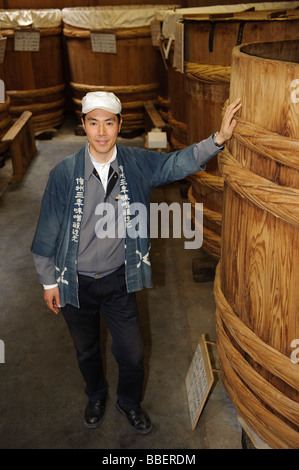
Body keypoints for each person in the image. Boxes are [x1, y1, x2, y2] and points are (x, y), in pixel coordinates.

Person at [31, 92, 241, 435]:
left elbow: (176, 163)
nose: (101, 132)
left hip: (118, 279)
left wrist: (218, 139)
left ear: (119, 125)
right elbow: (47, 231)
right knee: (86, 350)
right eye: (93, 122)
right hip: (74, 281)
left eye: (109, 123)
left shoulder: (136, 163)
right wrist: (48, 282)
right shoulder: (64, 174)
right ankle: (96, 396)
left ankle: (128, 402)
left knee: (132, 352)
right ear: (83, 125)